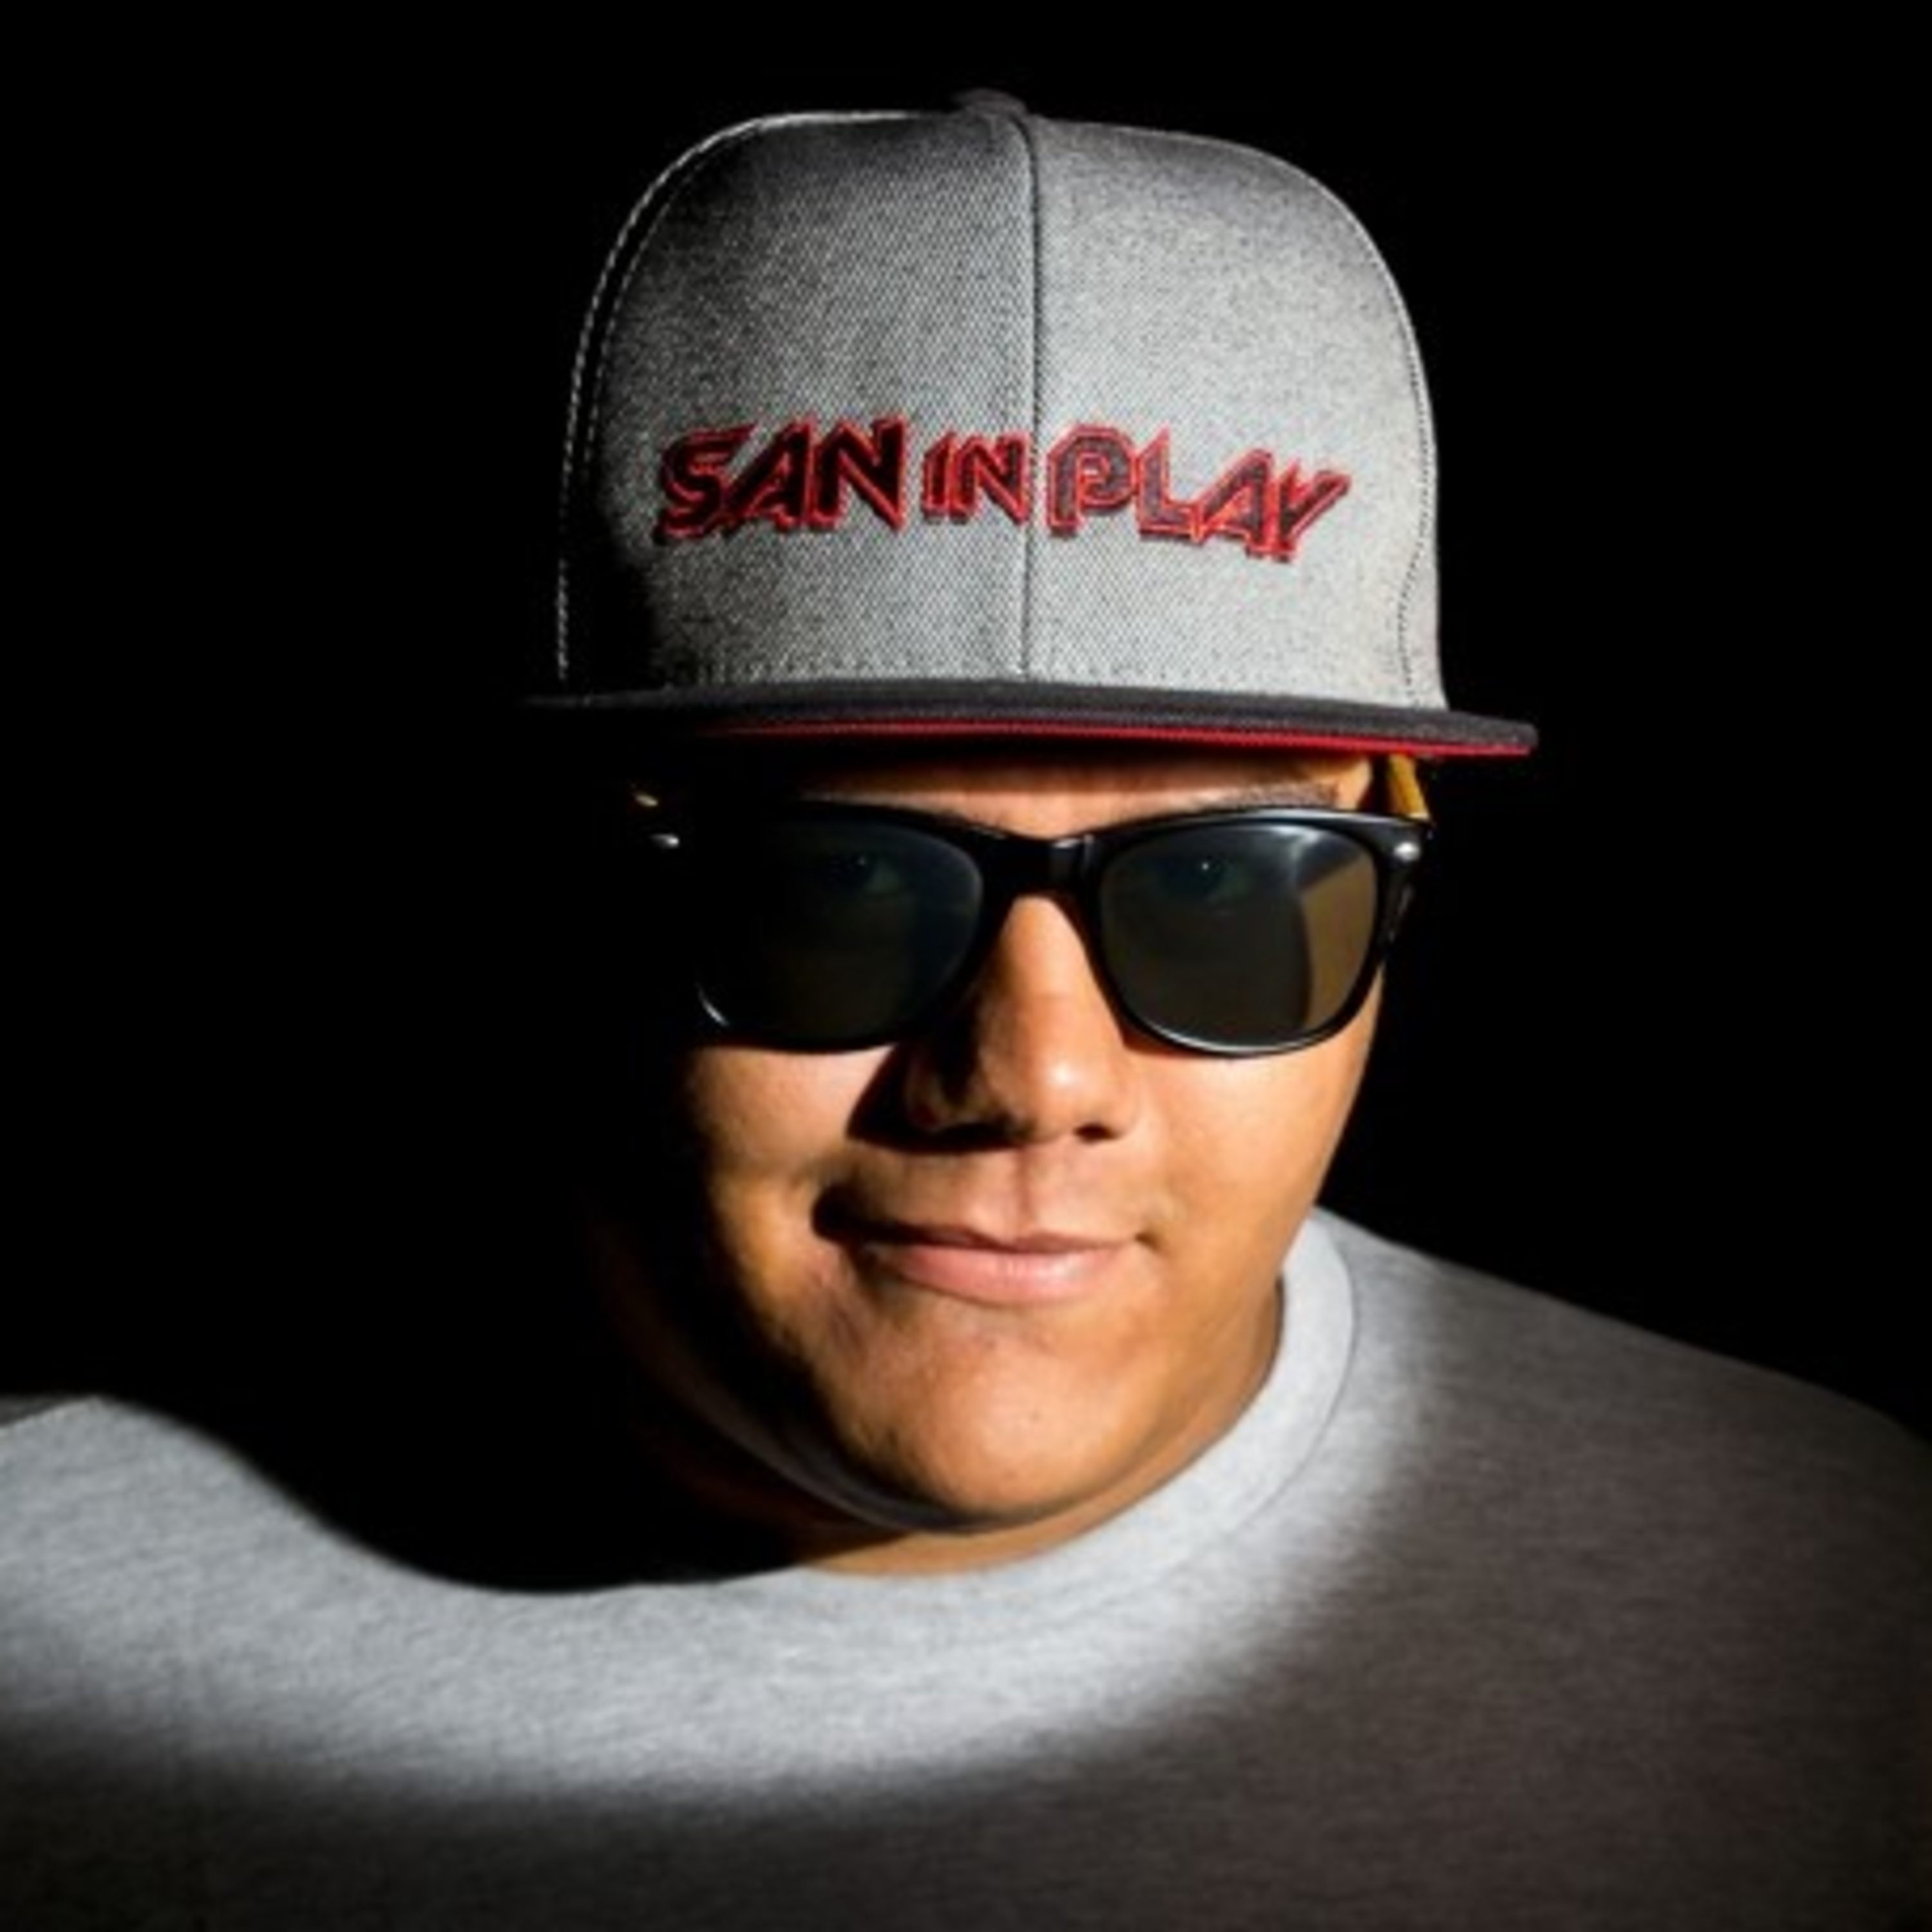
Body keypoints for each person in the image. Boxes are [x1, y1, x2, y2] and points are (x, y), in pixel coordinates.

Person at [5, 93, 1927, 1929]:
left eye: (1225, 890)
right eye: (838, 885)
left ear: (1394, 869)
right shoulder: (37, 1651)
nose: (1037, 1074)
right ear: (556, 881)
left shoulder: (1848, 1601)